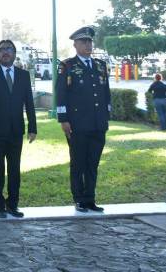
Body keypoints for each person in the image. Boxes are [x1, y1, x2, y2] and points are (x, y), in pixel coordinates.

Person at [0, 40, 36, 219]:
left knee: (14, 169)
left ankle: (13, 204)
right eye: (2, 50)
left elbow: (29, 103)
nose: (5, 52)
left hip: (16, 131)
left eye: (8, 49)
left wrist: (32, 127)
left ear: (14, 53)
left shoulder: (24, 75)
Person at [56, 26, 110, 213]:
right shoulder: (68, 66)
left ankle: (90, 199)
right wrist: (63, 119)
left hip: (98, 124)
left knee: (92, 164)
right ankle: (79, 198)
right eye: (83, 41)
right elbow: (61, 94)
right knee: (78, 163)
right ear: (75, 44)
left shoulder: (100, 65)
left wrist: (106, 117)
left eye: (89, 41)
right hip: (77, 125)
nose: (88, 45)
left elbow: (106, 94)